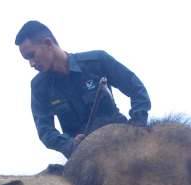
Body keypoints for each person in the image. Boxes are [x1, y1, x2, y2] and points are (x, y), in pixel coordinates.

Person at [15, 20, 151, 158]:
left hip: (121, 143)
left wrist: (137, 125)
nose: (31, 64)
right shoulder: (39, 87)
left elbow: (136, 89)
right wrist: (70, 144)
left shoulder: (98, 61)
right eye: (27, 59)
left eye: (32, 55)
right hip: (85, 159)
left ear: (48, 44)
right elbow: (45, 130)